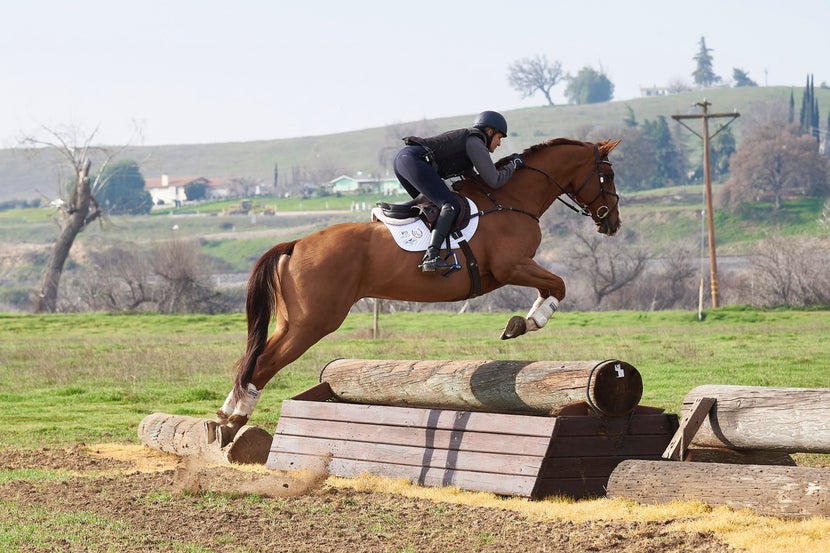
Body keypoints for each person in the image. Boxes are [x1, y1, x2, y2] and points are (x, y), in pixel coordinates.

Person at [393, 110, 525, 272]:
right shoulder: (475, 141)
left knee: (435, 209)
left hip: (405, 161)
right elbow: (494, 180)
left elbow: (475, 181)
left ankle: (421, 246)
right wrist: (513, 165)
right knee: (450, 205)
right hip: (412, 161)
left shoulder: (469, 145)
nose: (499, 144)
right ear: (489, 132)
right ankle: (431, 256)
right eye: (499, 138)